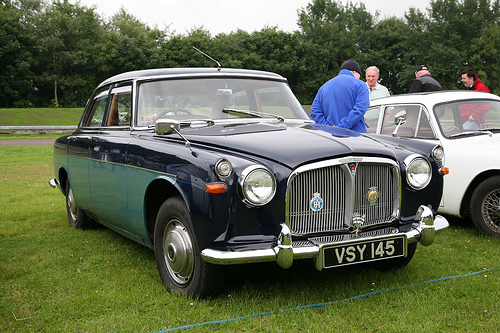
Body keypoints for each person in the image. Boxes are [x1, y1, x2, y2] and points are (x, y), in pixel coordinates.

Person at [310, 59, 370, 132]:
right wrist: (341, 128)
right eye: (359, 76)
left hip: (330, 137)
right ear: (354, 72)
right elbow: (360, 109)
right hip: (355, 137)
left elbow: (314, 111)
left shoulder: (323, 87)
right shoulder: (360, 85)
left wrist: (328, 128)